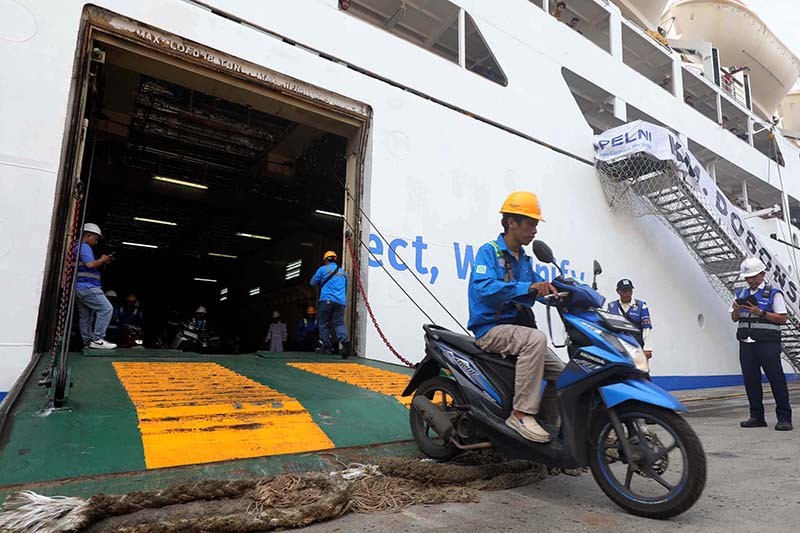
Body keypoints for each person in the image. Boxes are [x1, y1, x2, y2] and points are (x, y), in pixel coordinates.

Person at [468, 192, 564, 443]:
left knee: (564, 376)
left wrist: (559, 293)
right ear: (512, 222)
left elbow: (535, 289)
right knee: (536, 339)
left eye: (535, 225)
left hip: (515, 331)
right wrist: (530, 288)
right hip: (490, 330)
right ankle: (520, 414)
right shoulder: (488, 252)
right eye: (530, 223)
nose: (534, 230)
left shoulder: (524, 260)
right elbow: (484, 288)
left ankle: (548, 423)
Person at [731, 258, 793, 431]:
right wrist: (736, 309)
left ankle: (784, 418)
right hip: (746, 343)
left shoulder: (774, 293)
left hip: (767, 343)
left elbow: (782, 318)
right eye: (747, 277)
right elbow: (735, 318)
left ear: (762, 274)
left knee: (776, 379)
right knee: (751, 380)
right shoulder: (740, 294)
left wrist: (761, 313)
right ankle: (757, 417)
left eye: (753, 276)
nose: (750, 280)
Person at [74, 223, 116, 350]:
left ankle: (88, 342)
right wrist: (103, 259)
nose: (96, 242)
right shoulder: (84, 246)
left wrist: (103, 262)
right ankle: (97, 339)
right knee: (106, 309)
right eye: (96, 238)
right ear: (88, 235)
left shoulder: (76, 246)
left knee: (86, 316)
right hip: (88, 287)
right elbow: (90, 265)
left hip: (79, 288)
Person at [311, 250, 350, 358]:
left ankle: (326, 347)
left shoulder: (323, 269)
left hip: (326, 300)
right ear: (335, 260)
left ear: (326, 261)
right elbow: (345, 288)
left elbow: (312, 282)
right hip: (340, 302)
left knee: (323, 323)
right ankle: (345, 342)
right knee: (339, 323)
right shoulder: (343, 272)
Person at [606, 279, 653, 360]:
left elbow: (646, 328)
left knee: (640, 371)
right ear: (618, 291)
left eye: (629, 290)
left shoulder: (641, 306)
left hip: (636, 346)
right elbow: (607, 328)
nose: (627, 293)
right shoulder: (611, 307)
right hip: (619, 347)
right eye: (624, 291)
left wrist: (647, 349)